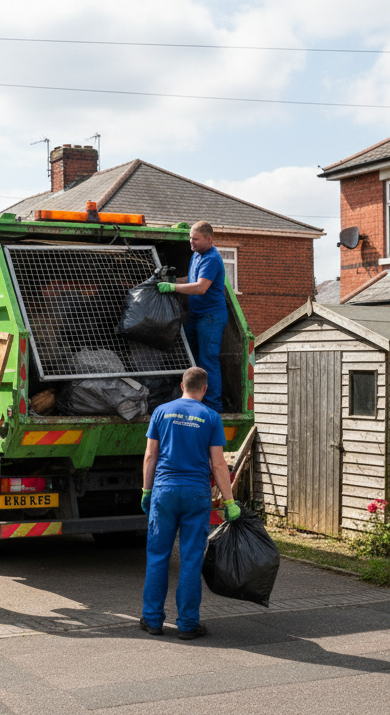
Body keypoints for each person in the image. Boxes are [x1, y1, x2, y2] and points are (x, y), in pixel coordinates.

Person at [139, 366, 241, 639]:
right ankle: (187, 624)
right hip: (196, 493)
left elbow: (150, 456)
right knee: (191, 559)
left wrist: (147, 491)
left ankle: (152, 621)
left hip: (165, 490)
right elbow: (218, 464)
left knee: (158, 556)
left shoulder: (161, 412)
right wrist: (229, 501)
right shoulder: (210, 417)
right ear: (204, 389)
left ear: (181, 385)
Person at [157, 221, 229, 412]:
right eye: (190, 238)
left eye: (195, 239)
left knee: (208, 361)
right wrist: (170, 280)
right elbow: (191, 279)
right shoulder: (197, 256)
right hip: (198, 316)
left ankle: (213, 407)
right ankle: (194, 401)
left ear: (209, 239)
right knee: (190, 357)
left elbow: (200, 287)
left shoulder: (212, 258)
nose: (191, 242)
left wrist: (172, 288)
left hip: (211, 317)